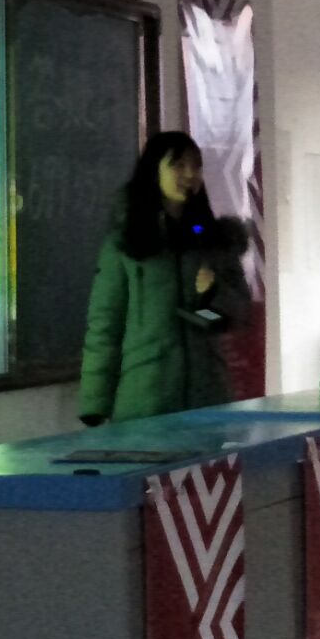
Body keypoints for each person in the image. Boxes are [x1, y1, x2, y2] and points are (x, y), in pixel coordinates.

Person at [79, 131, 250, 426]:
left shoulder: (213, 240)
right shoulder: (126, 243)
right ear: (153, 170)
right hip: (146, 399)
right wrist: (95, 405)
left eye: (196, 166)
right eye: (178, 165)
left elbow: (239, 312)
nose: (190, 174)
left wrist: (213, 294)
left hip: (208, 399)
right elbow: (105, 325)